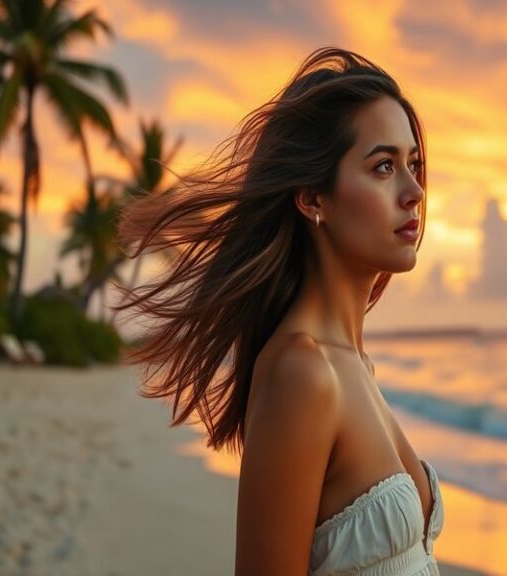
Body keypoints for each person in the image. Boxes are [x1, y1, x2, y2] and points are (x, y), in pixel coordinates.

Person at [113, 46, 445, 575]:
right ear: (313, 197)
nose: (414, 192)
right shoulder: (304, 372)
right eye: (383, 167)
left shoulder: (352, 363)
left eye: (414, 164)